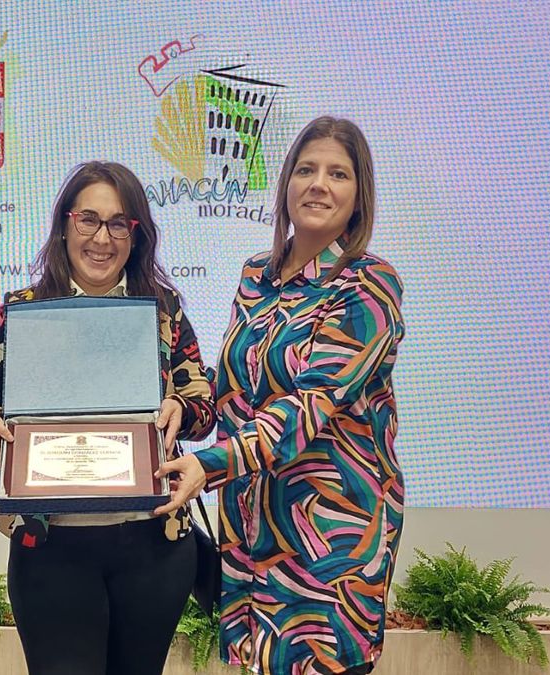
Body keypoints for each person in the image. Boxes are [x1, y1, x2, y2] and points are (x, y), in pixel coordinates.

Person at [157, 116, 405, 675]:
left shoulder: (367, 286)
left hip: (328, 542)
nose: (319, 184)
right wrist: (185, 404)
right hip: (251, 534)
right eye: (306, 169)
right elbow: (233, 388)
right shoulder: (256, 275)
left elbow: (305, 412)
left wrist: (206, 465)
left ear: (359, 195)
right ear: (286, 183)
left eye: (338, 173)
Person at [0, 161, 217, 675]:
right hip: (51, 547)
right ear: (64, 225)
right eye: (89, 220)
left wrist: (182, 409)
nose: (103, 238)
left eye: (119, 223)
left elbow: (203, 405)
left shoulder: (163, 310)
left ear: (135, 234)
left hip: (152, 547)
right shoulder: (24, 310)